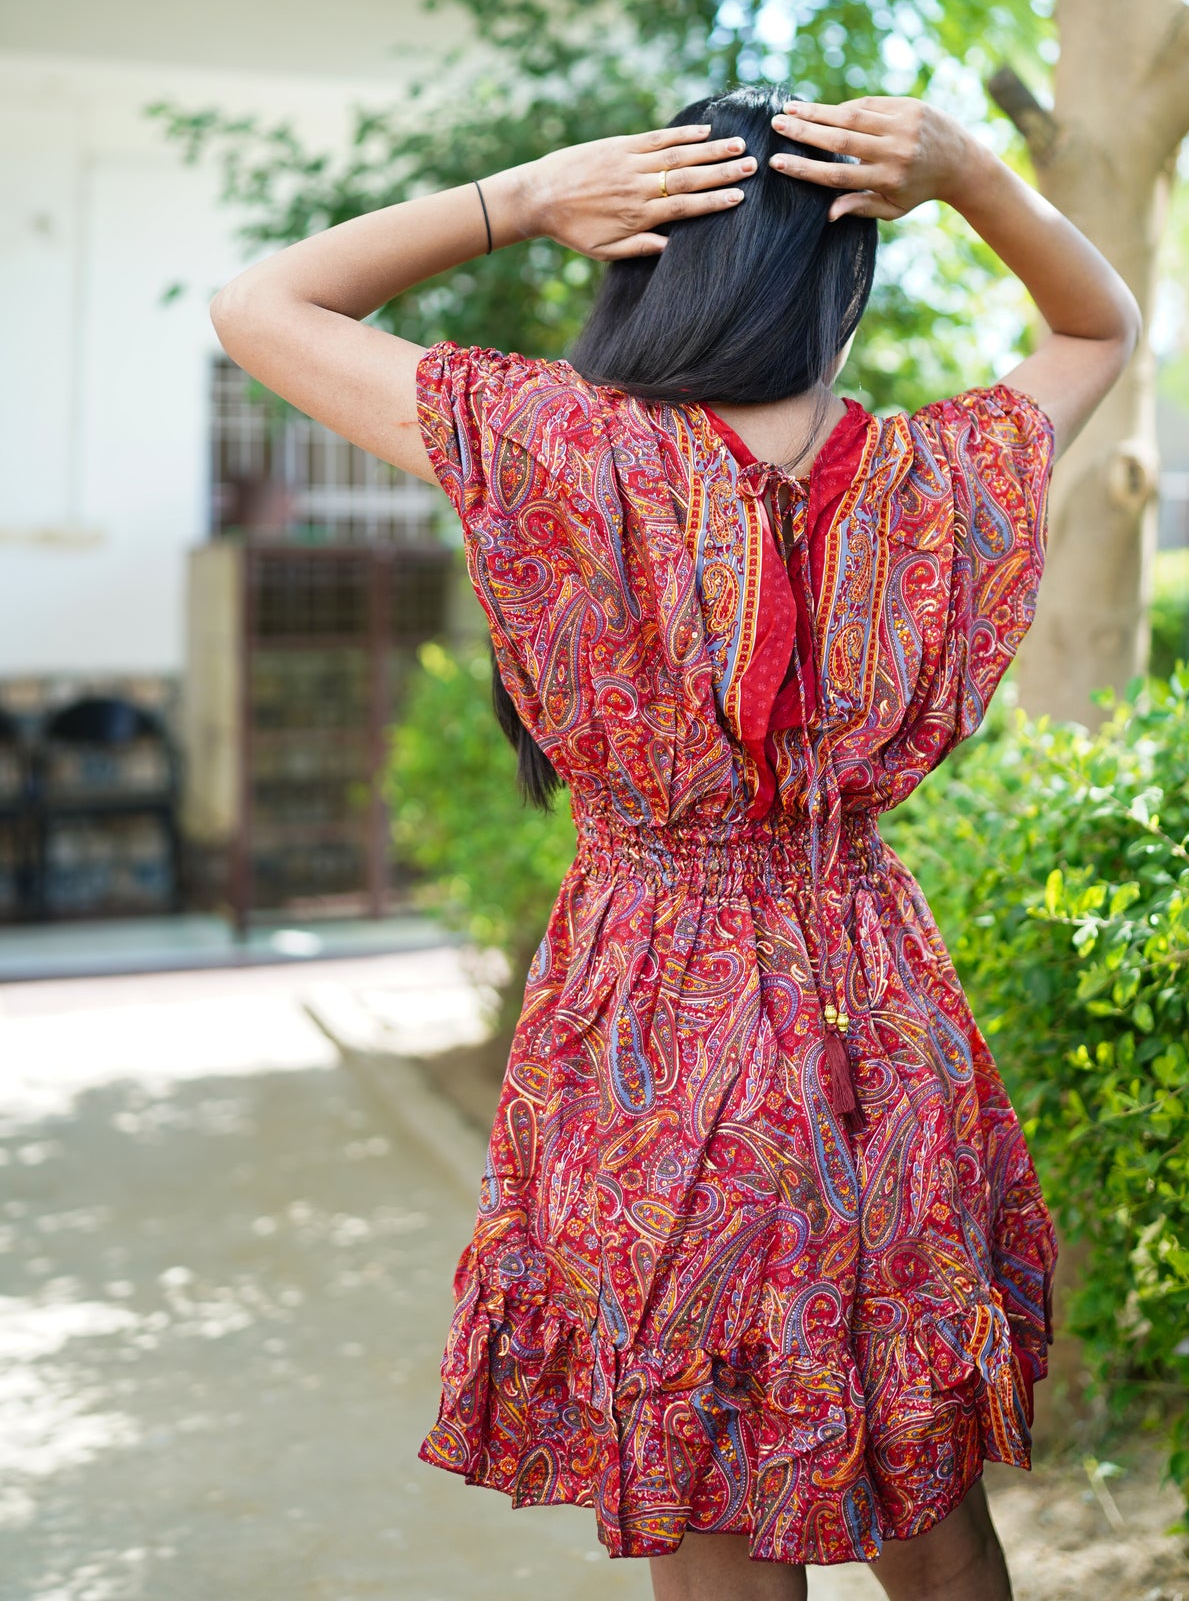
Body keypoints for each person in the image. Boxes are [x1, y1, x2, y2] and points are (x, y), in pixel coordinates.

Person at [211, 88, 1140, 1601]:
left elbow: (260, 302)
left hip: (649, 1010)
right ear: (851, 274)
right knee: (920, 1468)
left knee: (699, 1470)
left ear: (647, 263)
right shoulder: (940, 479)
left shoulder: (556, 451)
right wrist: (970, 176)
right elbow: (1099, 328)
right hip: (872, 1007)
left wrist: (522, 194)